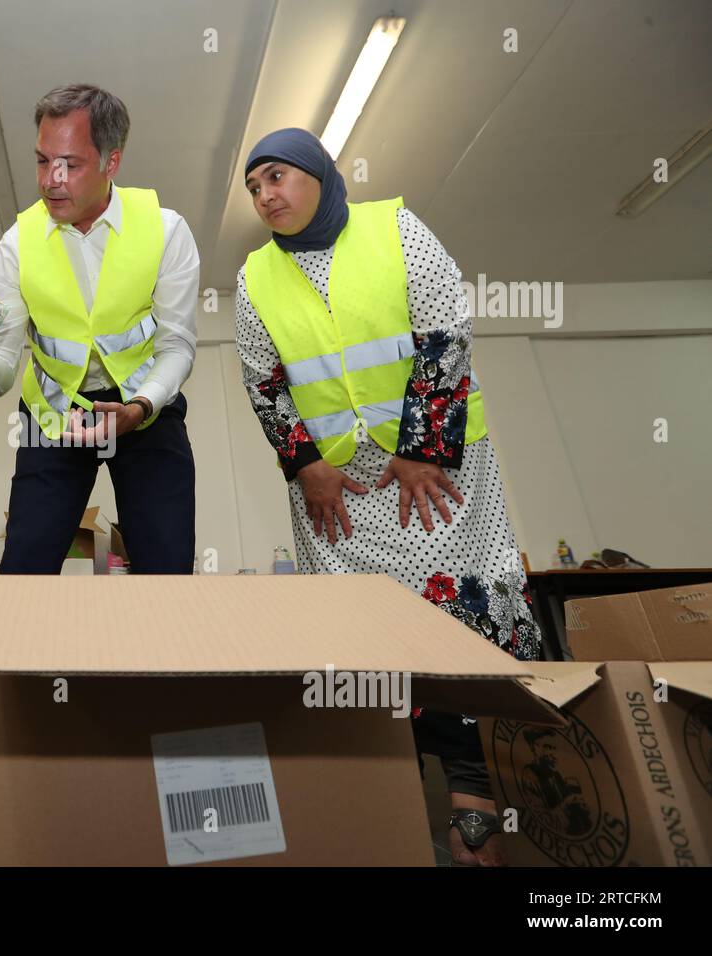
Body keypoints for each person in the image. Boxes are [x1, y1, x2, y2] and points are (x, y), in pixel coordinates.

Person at [234, 128, 542, 866]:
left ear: (317, 174)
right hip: (339, 494)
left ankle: (473, 814)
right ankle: (387, 811)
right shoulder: (253, 277)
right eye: (253, 187)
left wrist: (419, 450)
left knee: (459, 630)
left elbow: (445, 334)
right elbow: (263, 379)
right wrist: (305, 464)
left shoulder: (395, 228)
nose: (264, 195)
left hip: (434, 475)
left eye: (277, 176)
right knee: (361, 643)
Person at [0, 84, 199, 573]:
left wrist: (139, 407)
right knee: (23, 570)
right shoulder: (15, 247)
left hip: (145, 408)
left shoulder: (167, 229)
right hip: (53, 417)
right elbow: (0, 374)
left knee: (167, 568)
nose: (51, 179)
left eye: (70, 164)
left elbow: (177, 346)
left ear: (112, 162)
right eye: (42, 161)